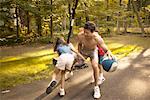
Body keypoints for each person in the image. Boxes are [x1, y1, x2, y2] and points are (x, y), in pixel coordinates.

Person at [77, 21, 112, 99]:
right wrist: (79, 55)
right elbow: (79, 44)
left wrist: (108, 52)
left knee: (95, 66)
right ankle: (69, 73)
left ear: (93, 32)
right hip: (83, 51)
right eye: (84, 31)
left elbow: (104, 46)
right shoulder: (80, 35)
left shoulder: (97, 38)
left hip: (93, 51)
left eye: (87, 33)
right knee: (73, 61)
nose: (85, 34)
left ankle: (96, 87)